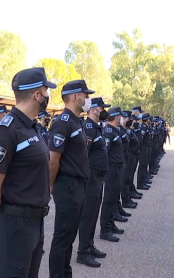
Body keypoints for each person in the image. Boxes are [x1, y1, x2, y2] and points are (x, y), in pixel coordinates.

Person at [0, 67, 55, 278]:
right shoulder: (7, 130)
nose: (47, 96)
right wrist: (0, 217)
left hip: (34, 220)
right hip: (16, 223)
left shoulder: (32, 127)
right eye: (46, 91)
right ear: (37, 95)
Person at [48, 80, 94, 278]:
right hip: (67, 186)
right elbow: (53, 160)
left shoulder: (76, 121)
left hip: (78, 185)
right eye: (85, 95)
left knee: (69, 236)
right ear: (75, 96)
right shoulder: (62, 122)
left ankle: (66, 273)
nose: (88, 99)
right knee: (62, 236)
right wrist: (49, 186)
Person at [76, 97, 110, 268]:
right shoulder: (88, 128)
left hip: (98, 177)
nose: (104, 111)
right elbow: (83, 154)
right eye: (102, 108)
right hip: (91, 178)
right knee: (88, 215)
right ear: (94, 109)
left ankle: (89, 246)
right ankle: (82, 252)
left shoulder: (97, 127)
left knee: (94, 213)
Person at [100, 107, 125, 243]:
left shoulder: (115, 130)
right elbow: (105, 152)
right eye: (120, 116)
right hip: (112, 169)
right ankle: (105, 229)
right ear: (116, 117)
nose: (122, 119)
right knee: (109, 200)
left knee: (114, 198)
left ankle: (110, 223)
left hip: (117, 168)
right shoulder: (109, 131)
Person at [137, 113, 152, 190]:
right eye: (149, 119)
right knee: (142, 165)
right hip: (144, 147)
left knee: (145, 164)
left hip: (146, 147)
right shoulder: (143, 126)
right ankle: (140, 183)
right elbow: (141, 137)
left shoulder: (146, 126)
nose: (150, 120)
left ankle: (144, 180)